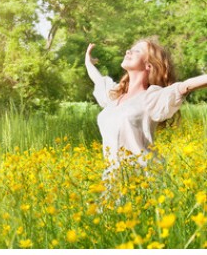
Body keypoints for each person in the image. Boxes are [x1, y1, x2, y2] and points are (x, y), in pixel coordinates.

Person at [85, 37, 207, 177]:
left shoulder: (152, 97)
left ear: (148, 65)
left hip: (143, 180)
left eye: (137, 51)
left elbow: (185, 86)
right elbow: (99, 80)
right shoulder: (115, 96)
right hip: (113, 182)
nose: (128, 51)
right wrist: (88, 62)